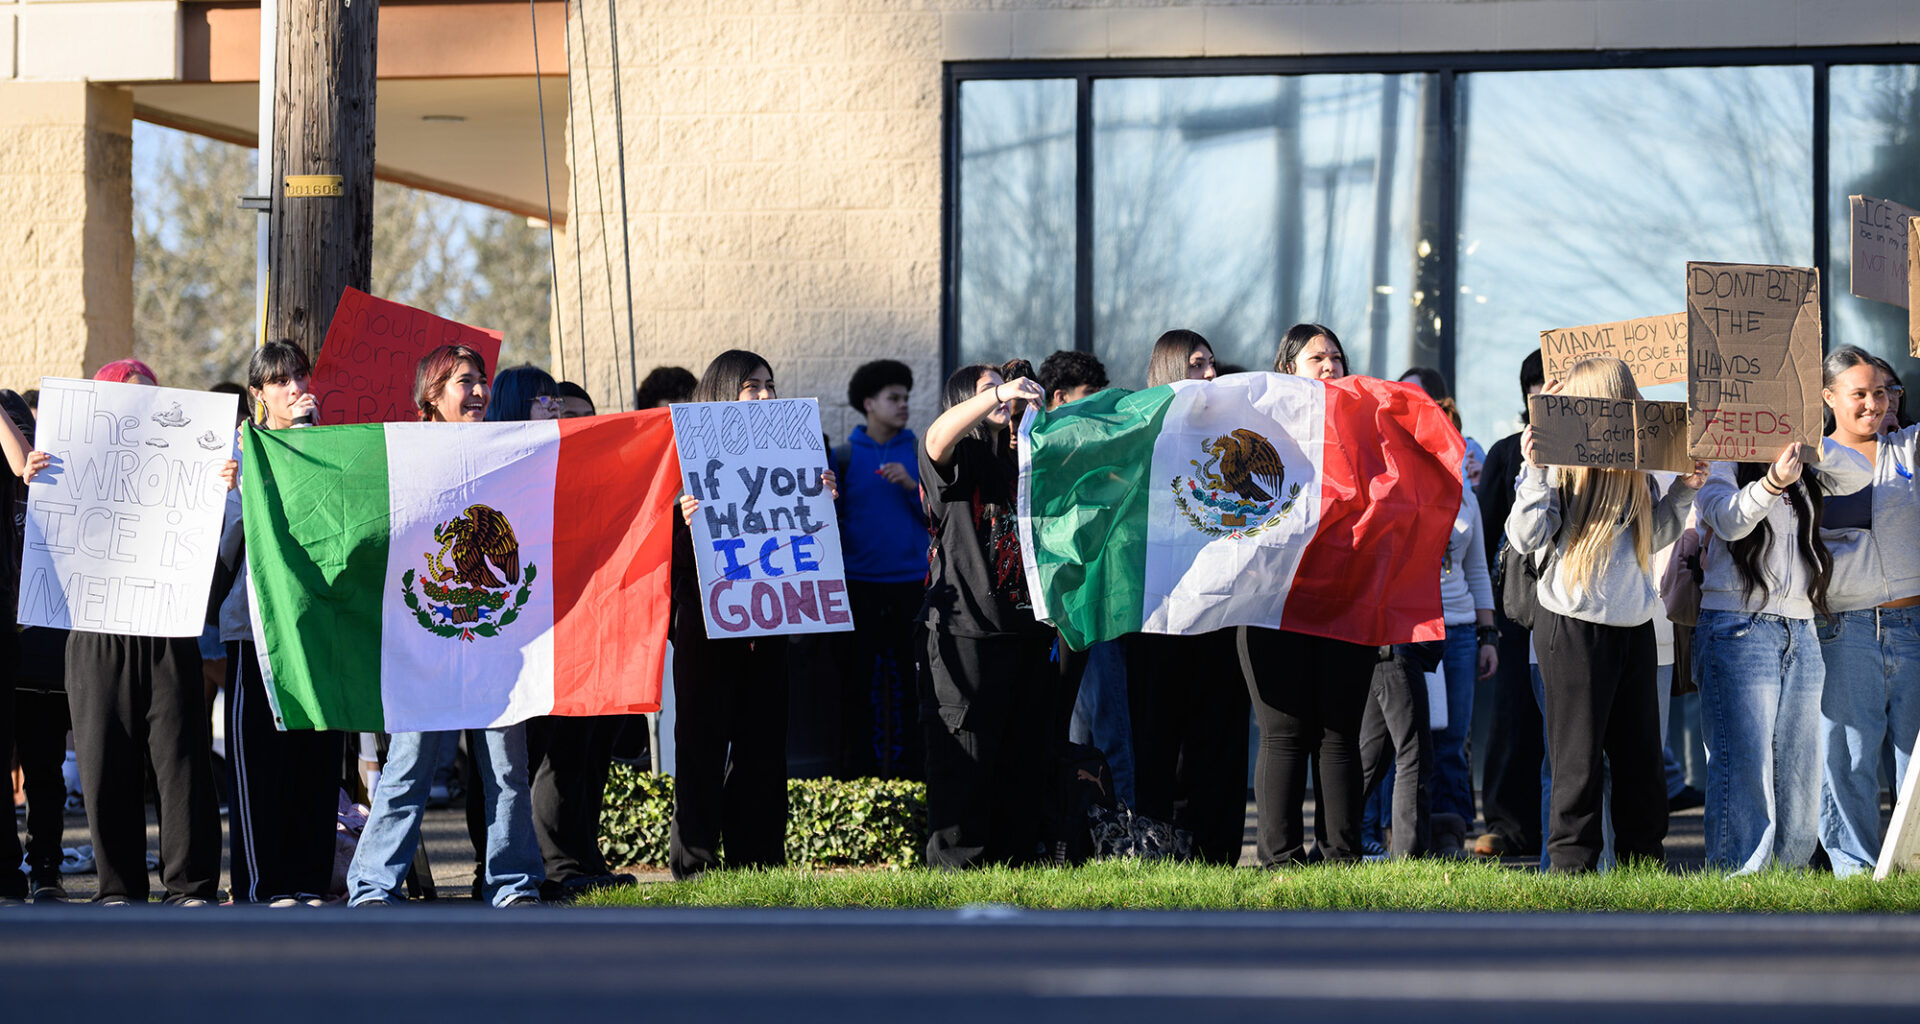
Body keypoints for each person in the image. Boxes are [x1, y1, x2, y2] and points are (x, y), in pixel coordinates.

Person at [347, 345, 545, 907]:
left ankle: (511, 883)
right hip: (424, 644)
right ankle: (373, 886)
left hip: (498, 645)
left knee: (506, 770)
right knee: (408, 766)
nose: (480, 389)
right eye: (465, 380)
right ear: (430, 397)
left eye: (482, 379)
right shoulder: (401, 457)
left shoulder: (510, 453)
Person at [1507, 358, 1705, 873]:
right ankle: (1573, 873)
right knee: (1576, 763)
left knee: (1641, 762)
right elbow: (1526, 538)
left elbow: (1654, 538)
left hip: (1634, 623)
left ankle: (1642, 872)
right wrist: (1536, 469)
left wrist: (1684, 490)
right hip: (1571, 624)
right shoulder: (1560, 464)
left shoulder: (1638, 468)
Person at [64, 358, 230, 905]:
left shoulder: (189, 468)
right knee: (104, 759)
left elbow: (215, 551)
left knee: (181, 760)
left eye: (152, 397)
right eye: (132, 397)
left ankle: (190, 885)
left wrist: (223, 489)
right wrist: (38, 472)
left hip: (166, 628)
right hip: (96, 631)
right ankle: (118, 888)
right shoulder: (72, 464)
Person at [670, 350, 836, 878]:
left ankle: (759, 860)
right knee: (700, 745)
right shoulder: (679, 456)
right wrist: (681, 518)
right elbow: (653, 550)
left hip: (768, 625)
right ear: (721, 392)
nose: (765, 395)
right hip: (705, 624)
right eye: (751, 386)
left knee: (763, 748)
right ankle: (695, 861)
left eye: (769, 384)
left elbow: (810, 541)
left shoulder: (798, 450)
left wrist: (822, 500)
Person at [1693, 412, 1871, 873]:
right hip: (1737, 626)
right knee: (1744, 763)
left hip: (1801, 627)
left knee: (1800, 764)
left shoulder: (1805, 460)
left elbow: (1860, 473)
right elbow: (1726, 520)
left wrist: (1810, 439)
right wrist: (1771, 482)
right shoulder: (1722, 452)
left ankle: (1788, 877)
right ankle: (1739, 877)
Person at [1239, 323, 1380, 864]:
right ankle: (1278, 855)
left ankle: (1340, 856)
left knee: (1340, 729)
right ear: (1286, 369)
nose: (1329, 366)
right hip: (1273, 597)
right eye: (1316, 358)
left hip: (1347, 595)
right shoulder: (1256, 429)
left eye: (1337, 358)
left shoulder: (1368, 429)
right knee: (1284, 731)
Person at [219, 341, 347, 905]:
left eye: (300, 376)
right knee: (261, 761)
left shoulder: (332, 448)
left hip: (320, 628)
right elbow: (222, 555)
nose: (295, 388)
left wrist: (315, 447)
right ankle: (261, 886)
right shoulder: (239, 455)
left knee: (317, 759)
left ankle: (307, 879)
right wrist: (244, 494)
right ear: (258, 396)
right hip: (257, 630)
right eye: (280, 380)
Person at [1122, 330, 1251, 864]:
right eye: (1197, 364)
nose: (1210, 375)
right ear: (1170, 368)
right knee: (1156, 740)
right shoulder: (1138, 431)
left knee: (1219, 739)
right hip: (1156, 616)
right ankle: (1155, 851)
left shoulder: (1237, 434)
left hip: (1221, 614)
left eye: (1212, 364)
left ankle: (1216, 855)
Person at [918, 362, 1052, 867]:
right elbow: (936, 437)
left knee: (1022, 758)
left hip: (1028, 633)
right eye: (986, 388)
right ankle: (958, 875)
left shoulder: (1024, 456)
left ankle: (1015, 865)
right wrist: (998, 393)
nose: (1001, 395)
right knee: (965, 762)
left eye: (1003, 386)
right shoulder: (960, 454)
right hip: (966, 632)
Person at [1815, 346, 1920, 878]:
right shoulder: (1805, 461)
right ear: (1830, 397)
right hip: (1845, 628)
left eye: (1881, 392)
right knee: (1849, 760)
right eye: (1859, 393)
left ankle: (1913, 871)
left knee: (1917, 761)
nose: (1873, 404)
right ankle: (1853, 871)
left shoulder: (1906, 449)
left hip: (1912, 627)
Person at [1398, 366, 1499, 850]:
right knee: (1412, 739)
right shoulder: (1392, 471)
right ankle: (1403, 833)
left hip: (1458, 628)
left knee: (1454, 737)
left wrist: (1488, 636)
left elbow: (1477, 569)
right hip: (1410, 627)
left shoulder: (1461, 484)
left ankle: (1451, 833)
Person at [834, 359, 927, 780]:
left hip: (914, 586)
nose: (903, 405)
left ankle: (914, 778)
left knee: (914, 689)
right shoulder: (844, 456)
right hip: (859, 588)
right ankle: (859, 779)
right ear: (869, 404)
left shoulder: (922, 453)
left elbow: (940, 518)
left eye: (906, 397)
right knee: (857, 688)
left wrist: (912, 486)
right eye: (894, 398)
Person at [1472, 349, 1547, 858]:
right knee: (1514, 717)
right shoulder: (1506, 453)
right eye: (1539, 390)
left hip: (1577, 605)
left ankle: (1554, 827)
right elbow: (1485, 532)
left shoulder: (1594, 452)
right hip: (1519, 611)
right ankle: (1507, 823)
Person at [0, 389, 54, 902]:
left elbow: (21, 464)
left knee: (40, 761)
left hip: (32, 635)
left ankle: (38, 868)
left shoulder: (36, 475)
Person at [1037, 350, 1108, 409]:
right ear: (1061, 397)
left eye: (1099, 392)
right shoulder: (1029, 424)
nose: (1100, 398)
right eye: (1090, 391)